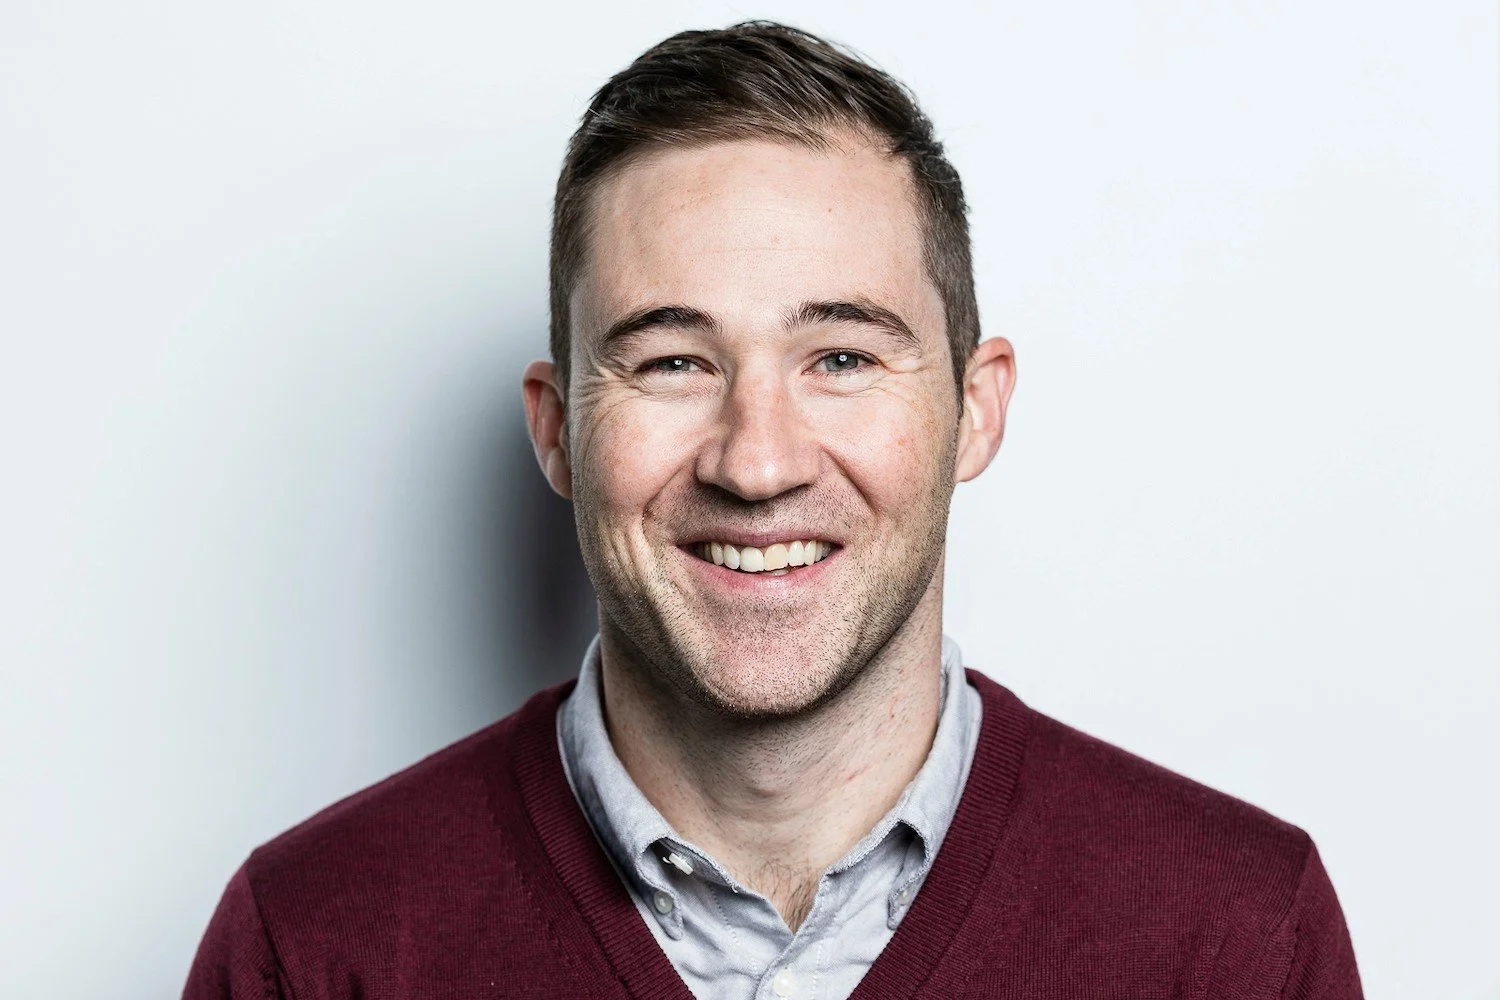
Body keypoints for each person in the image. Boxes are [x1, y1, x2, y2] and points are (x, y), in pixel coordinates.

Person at [184, 21, 1362, 999]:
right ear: (555, 429)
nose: (757, 463)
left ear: (975, 409)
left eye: (841, 357)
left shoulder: (1237, 940)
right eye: (672, 362)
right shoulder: (312, 950)